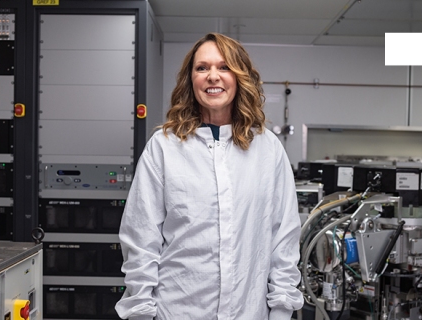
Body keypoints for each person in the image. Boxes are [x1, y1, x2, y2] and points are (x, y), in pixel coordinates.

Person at [115, 32, 303, 320]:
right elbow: (141, 238)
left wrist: (280, 311)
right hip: (177, 311)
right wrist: (141, 311)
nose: (213, 76)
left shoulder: (267, 149)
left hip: (248, 312)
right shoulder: (164, 146)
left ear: (240, 77)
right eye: (202, 68)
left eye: (224, 67)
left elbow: (284, 239)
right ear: (191, 80)